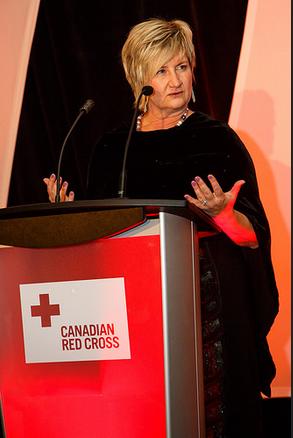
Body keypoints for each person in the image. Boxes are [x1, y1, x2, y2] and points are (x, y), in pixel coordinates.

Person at [44, 18, 279, 438]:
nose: (176, 80)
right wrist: (70, 214)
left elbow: (252, 235)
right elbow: (100, 235)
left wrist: (224, 213)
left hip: (206, 306)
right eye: (162, 70)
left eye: (183, 67)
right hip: (130, 310)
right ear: (140, 81)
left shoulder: (217, 139)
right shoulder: (112, 146)